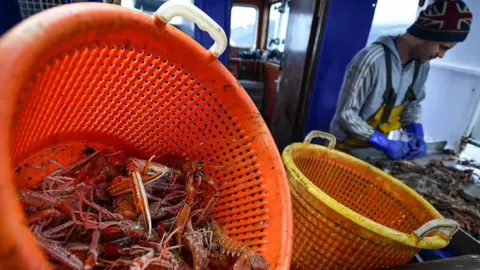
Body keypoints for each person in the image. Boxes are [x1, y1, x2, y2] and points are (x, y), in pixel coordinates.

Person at [329, 0, 473, 160]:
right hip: (344, 148)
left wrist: (416, 131)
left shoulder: (421, 66)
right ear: (428, 34)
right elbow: (347, 115)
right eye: (443, 47)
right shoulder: (371, 60)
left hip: (373, 153)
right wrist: (384, 143)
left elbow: (412, 104)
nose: (441, 55)